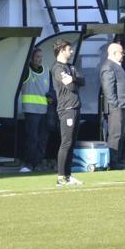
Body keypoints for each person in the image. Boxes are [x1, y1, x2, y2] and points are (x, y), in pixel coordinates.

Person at [50, 39, 86, 186]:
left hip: (76, 107)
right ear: (62, 50)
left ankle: (68, 175)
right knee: (66, 142)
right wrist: (74, 80)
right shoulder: (58, 68)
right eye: (69, 49)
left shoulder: (71, 66)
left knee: (72, 143)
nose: (71, 52)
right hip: (66, 109)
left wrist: (74, 78)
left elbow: (82, 80)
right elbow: (70, 86)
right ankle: (60, 177)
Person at [99, 41, 125, 172]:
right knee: (115, 135)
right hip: (117, 107)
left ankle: (119, 159)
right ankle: (113, 162)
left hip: (124, 105)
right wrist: (116, 105)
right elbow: (108, 89)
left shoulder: (116, 65)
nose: (123, 55)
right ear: (113, 53)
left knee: (121, 134)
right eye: (121, 52)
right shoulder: (108, 66)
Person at [17, 47, 53, 173]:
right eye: (37, 57)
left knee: (43, 139)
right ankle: (28, 164)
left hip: (44, 110)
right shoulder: (26, 71)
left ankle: (37, 163)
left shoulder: (47, 71)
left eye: (41, 57)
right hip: (31, 111)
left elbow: (51, 89)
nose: (40, 59)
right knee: (33, 139)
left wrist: (51, 96)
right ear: (31, 58)